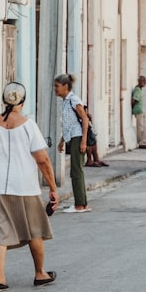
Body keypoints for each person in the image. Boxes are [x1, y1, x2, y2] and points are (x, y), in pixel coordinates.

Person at [0, 82, 59, 292]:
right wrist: (53, 187)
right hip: (25, 186)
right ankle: (40, 273)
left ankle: (0, 279)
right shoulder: (29, 125)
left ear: (4, 101)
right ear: (22, 102)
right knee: (34, 230)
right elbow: (42, 160)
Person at [54, 73, 91, 213]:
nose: (55, 89)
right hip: (72, 137)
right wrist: (61, 141)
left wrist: (83, 141)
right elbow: (69, 123)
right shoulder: (65, 101)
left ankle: (80, 205)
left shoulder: (74, 100)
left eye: (57, 86)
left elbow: (84, 119)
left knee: (76, 172)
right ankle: (82, 203)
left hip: (77, 137)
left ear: (65, 86)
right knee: (76, 171)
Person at [131, 75, 146, 149]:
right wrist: (134, 109)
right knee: (141, 126)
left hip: (141, 110)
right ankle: (141, 142)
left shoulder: (139, 89)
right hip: (139, 110)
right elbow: (134, 100)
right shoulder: (137, 89)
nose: (145, 84)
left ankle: (143, 141)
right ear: (141, 82)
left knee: (145, 126)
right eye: (144, 82)